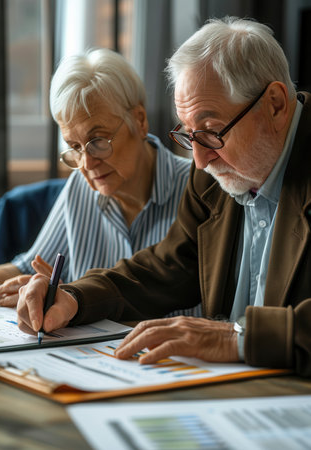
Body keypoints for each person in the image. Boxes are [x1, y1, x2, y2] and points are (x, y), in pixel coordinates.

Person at [16, 16, 311, 375]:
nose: (200, 162)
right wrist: (76, 297)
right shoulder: (213, 175)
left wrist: (236, 338)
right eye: (189, 135)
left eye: (212, 132)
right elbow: (167, 268)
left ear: (276, 104)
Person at [0, 48, 191, 310]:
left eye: (98, 141)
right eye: (74, 147)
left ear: (140, 120)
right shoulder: (81, 187)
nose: (87, 163)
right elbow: (27, 266)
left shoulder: (196, 189)